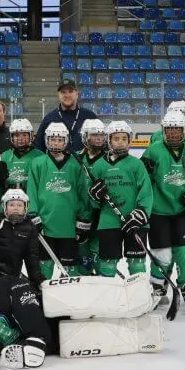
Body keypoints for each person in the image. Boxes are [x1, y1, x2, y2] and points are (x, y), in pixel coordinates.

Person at [141, 111, 185, 311]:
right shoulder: (153, 151)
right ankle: (158, 287)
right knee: (163, 254)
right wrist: (144, 169)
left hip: (182, 211)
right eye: (170, 129)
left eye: (178, 129)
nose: (174, 133)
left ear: (184, 130)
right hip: (159, 211)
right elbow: (143, 181)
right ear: (164, 131)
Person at [87, 121, 153, 279]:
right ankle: (108, 299)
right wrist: (94, 195)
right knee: (107, 262)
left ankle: (138, 296)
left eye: (124, 138)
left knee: (137, 262)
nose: (120, 142)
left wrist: (140, 214)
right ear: (109, 140)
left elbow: (146, 192)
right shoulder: (99, 166)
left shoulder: (136, 164)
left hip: (134, 220)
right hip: (109, 221)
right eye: (116, 138)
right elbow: (91, 201)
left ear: (129, 140)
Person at [27, 122, 88, 279]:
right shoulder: (38, 163)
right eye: (53, 139)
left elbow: (83, 193)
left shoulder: (75, 164)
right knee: (44, 267)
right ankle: (42, 297)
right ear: (47, 140)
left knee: (70, 270)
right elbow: (32, 191)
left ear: (66, 140)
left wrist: (83, 218)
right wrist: (33, 213)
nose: (56, 143)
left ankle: (69, 300)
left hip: (69, 226)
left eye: (60, 140)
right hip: (45, 225)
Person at [75, 118, 106, 275]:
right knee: (82, 249)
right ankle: (83, 277)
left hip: (101, 213)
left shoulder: (109, 159)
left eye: (101, 135)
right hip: (80, 214)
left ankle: (102, 279)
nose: (99, 139)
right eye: (94, 135)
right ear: (85, 136)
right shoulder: (75, 158)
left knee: (98, 249)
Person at [35, 79, 97, 154]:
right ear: (58, 95)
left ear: (77, 94)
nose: (67, 95)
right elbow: (38, 148)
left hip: (84, 164)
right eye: (63, 92)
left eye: (70, 91)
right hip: (58, 165)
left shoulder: (90, 117)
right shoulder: (49, 119)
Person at [0, 118, 44, 202]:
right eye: (17, 135)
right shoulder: (4, 157)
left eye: (24, 135)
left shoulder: (40, 156)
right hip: (8, 203)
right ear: (11, 137)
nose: (21, 138)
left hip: (32, 202)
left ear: (31, 136)